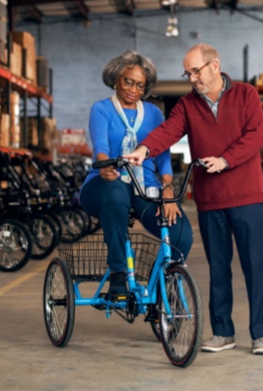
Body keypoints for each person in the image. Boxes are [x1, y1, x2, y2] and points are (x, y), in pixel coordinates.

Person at [124, 43, 263, 355]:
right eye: (187, 73)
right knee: (219, 268)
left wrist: (225, 160)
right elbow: (168, 132)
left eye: (196, 71)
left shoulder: (247, 94)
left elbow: (255, 135)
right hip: (210, 200)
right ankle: (223, 333)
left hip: (246, 197)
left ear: (214, 66)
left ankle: (260, 334)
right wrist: (144, 150)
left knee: (254, 266)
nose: (191, 78)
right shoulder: (188, 105)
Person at [79, 50, 193, 299]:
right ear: (116, 79)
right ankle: (118, 273)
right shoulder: (102, 109)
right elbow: (101, 147)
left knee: (181, 235)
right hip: (104, 184)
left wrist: (168, 190)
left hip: (145, 187)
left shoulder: (153, 114)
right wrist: (105, 166)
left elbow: (162, 155)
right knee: (118, 191)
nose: (133, 89)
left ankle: (163, 285)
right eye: (128, 81)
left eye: (140, 85)